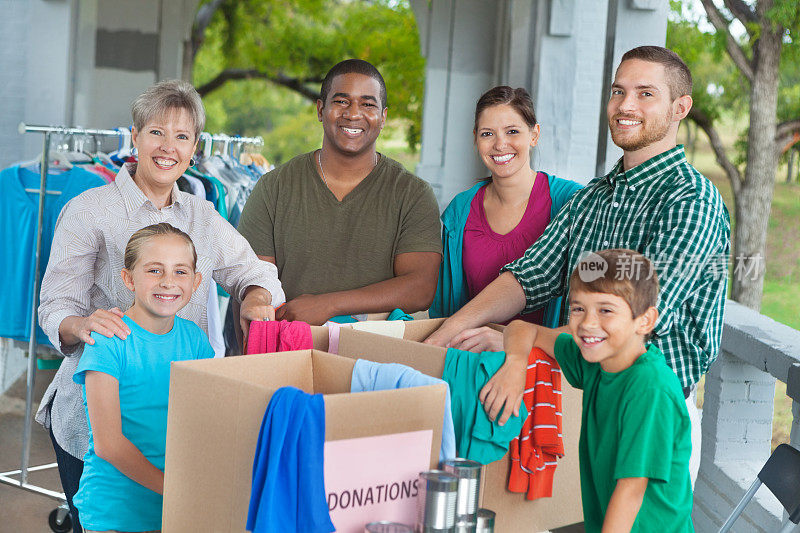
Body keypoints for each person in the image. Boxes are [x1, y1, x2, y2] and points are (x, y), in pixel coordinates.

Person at [426, 46, 730, 484]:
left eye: (646, 94)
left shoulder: (690, 201)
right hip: (587, 404)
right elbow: (527, 277)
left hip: (649, 410)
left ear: (680, 107)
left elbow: (623, 323)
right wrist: (441, 337)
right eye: (618, 91)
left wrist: (521, 345)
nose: (626, 105)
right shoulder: (592, 197)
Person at [36, 80, 284, 532]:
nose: (169, 147)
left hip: (173, 416)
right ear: (135, 137)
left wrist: (257, 298)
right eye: (156, 133)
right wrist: (82, 323)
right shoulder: (89, 210)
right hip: (94, 413)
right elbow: (54, 305)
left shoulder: (204, 216)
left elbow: (257, 273)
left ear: (195, 149)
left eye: (183, 136)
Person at [492, 249, 692, 532]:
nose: (587, 323)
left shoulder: (651, 388)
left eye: (606, 310)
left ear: (645, 320)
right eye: (578, 308)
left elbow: (631, 491)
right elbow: (523, 329)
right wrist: (515, 365)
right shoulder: (598, 359)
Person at [237, 59, 442, 325]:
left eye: (368, 104)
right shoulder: (274, 187)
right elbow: (253, 281)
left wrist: (329, 305)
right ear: (321, 109)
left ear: (383, 117)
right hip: (289, 350)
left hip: (374, 354)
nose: (353, 114)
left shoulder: (412, 194)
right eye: (342, 101)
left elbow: (421, 288)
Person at [73, 223, 214, 533]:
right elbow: (109, 444)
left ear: (196, 281)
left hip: (176, 510)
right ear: (128, 279)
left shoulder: (196, 341)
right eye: (154, 270)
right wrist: (174, 490)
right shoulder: (108, 341)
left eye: (180, 272)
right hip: (116, 513)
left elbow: (204, 423)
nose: (168, 282)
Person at [430, 85, 581, 332]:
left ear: (534, 135)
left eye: (512, 131)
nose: (500, 145)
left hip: (542, 362)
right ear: (475, 138)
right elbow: (444, 307)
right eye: (487, 134)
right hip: (472, 358)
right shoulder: (460, 210)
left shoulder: (570, 200)